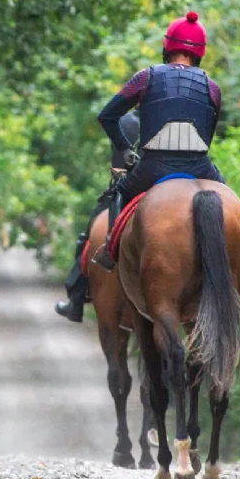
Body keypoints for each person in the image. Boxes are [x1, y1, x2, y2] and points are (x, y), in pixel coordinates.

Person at [89, 10, 224, 271]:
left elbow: (107, 116)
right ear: (200, 52)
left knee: (119, 194)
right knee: (229, 198)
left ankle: (109, 252)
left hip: (152, 167)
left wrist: (126, 150)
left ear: (167, 47)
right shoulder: (212, 87)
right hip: (199, 167)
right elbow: (208, 136)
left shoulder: (145, 78)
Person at [53, 111, 139, 322]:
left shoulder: (125, 121)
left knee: (87, 237)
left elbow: (118, 167)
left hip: (131, 188)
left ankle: (76, 299)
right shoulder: (167, 117)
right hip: (173, 180)